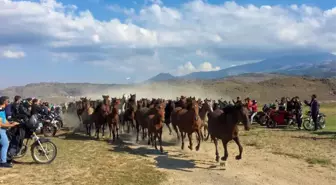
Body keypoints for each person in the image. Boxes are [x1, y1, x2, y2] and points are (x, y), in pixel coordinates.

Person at [0, 96, 19, 168]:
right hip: (1, 130)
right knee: (5, 144)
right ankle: (3, 163)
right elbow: (0, 123)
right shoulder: (0, 110)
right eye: (7, 101)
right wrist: (11, 125)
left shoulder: (2, 109)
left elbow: (4, 120)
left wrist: (11, 123)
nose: (8, 102)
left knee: (2, 145)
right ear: (4, 102)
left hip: (3, 130)